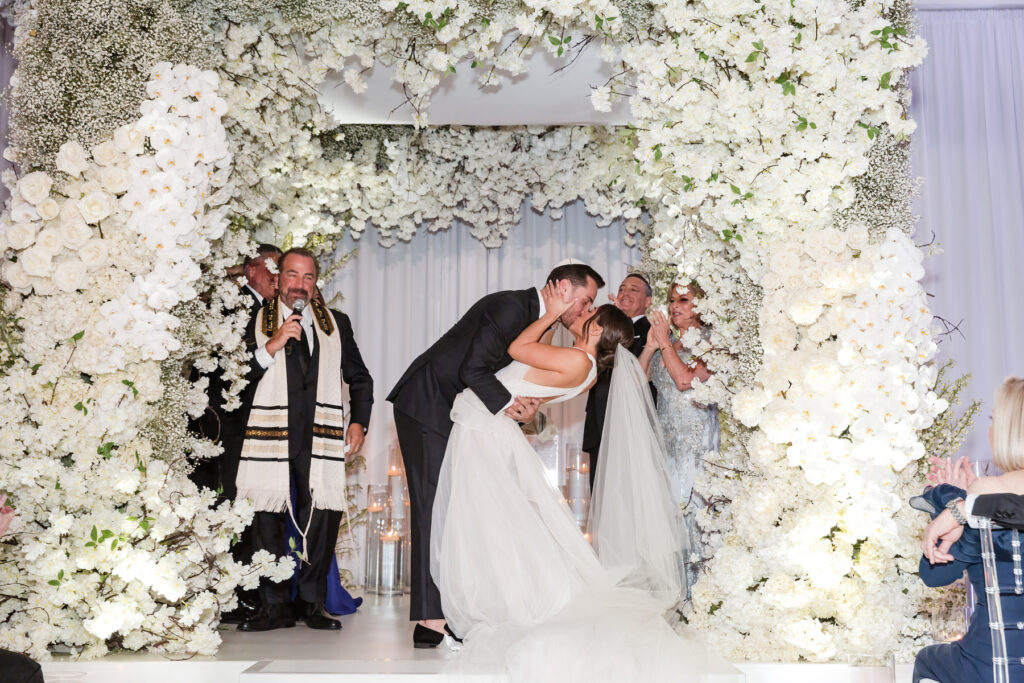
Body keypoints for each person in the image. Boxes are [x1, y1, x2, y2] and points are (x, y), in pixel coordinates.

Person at [431, 288, 729, 681]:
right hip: (491, 428)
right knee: (500, 521)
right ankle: (503, 597)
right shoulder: (586, 370)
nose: (582, 313)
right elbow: (530, 388)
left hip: (483, 431)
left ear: (597, 327)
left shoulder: (576, 358)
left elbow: (520, 346)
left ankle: (501, 604)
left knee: (487, 520)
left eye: (590, 311)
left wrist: (551, 313)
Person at [387, 263, 603, 647]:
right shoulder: (511, 306)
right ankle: (430, 620)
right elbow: (474, 369)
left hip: (464, 413)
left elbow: (513, 382)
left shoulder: (542, 322)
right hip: (428, 404)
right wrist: (509, 406)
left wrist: (525, 412)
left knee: (463, 508)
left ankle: (458, 604)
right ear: (564, 289)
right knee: (433, 505)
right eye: (585, 300)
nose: (586, 310)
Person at [235, 247, 373, 632]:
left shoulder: (336, 324)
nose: (300, 284)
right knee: (266, 520)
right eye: (292, 276)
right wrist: (273, 344)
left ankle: (311, 605)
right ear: (278, 279)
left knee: (322, 519)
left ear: (316, 283)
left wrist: (359, 421)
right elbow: (235, 378)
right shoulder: (256, 320)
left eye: (308, 277)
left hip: (321, 437)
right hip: (270, 435)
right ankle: (274, 606)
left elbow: (360, 378)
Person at [191, 243, 281, 624]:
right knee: (228, 503)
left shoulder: (275, 312)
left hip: (254, 425)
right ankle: (233, 592)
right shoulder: (231, 304)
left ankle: (250, 590)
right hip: (224, 423)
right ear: (250, 269)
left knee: (248, 505)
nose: (277, 278)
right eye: (271, 269)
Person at [915, 376, 1024, 682]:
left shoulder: (987, 490)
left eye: (994, 420)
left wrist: (958, 505)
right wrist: (962, 505)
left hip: (990, 667)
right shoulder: (985, 495)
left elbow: (934, 574)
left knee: (927, 661)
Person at [638, 282, 717, 593]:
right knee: (667, 524)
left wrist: (666, 346)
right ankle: (676, 594)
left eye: (683, 300)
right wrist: (650, 346)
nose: (674, 306)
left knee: (694, 522)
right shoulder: (666, 341)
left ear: (702, 304)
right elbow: (640, 378)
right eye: (671, 300)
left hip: (697, 446)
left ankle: (699, 597)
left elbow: (685, 381)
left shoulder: (712, 343)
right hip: (667, 445)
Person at [582, 273, 655, 487]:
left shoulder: (652, 330)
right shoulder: (600, 327)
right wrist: (610, 323)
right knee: (600, 492)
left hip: (631, 426)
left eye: (634, 289)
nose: (625, 293)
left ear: (648, 301)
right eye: (622, 288)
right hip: (599, 422)